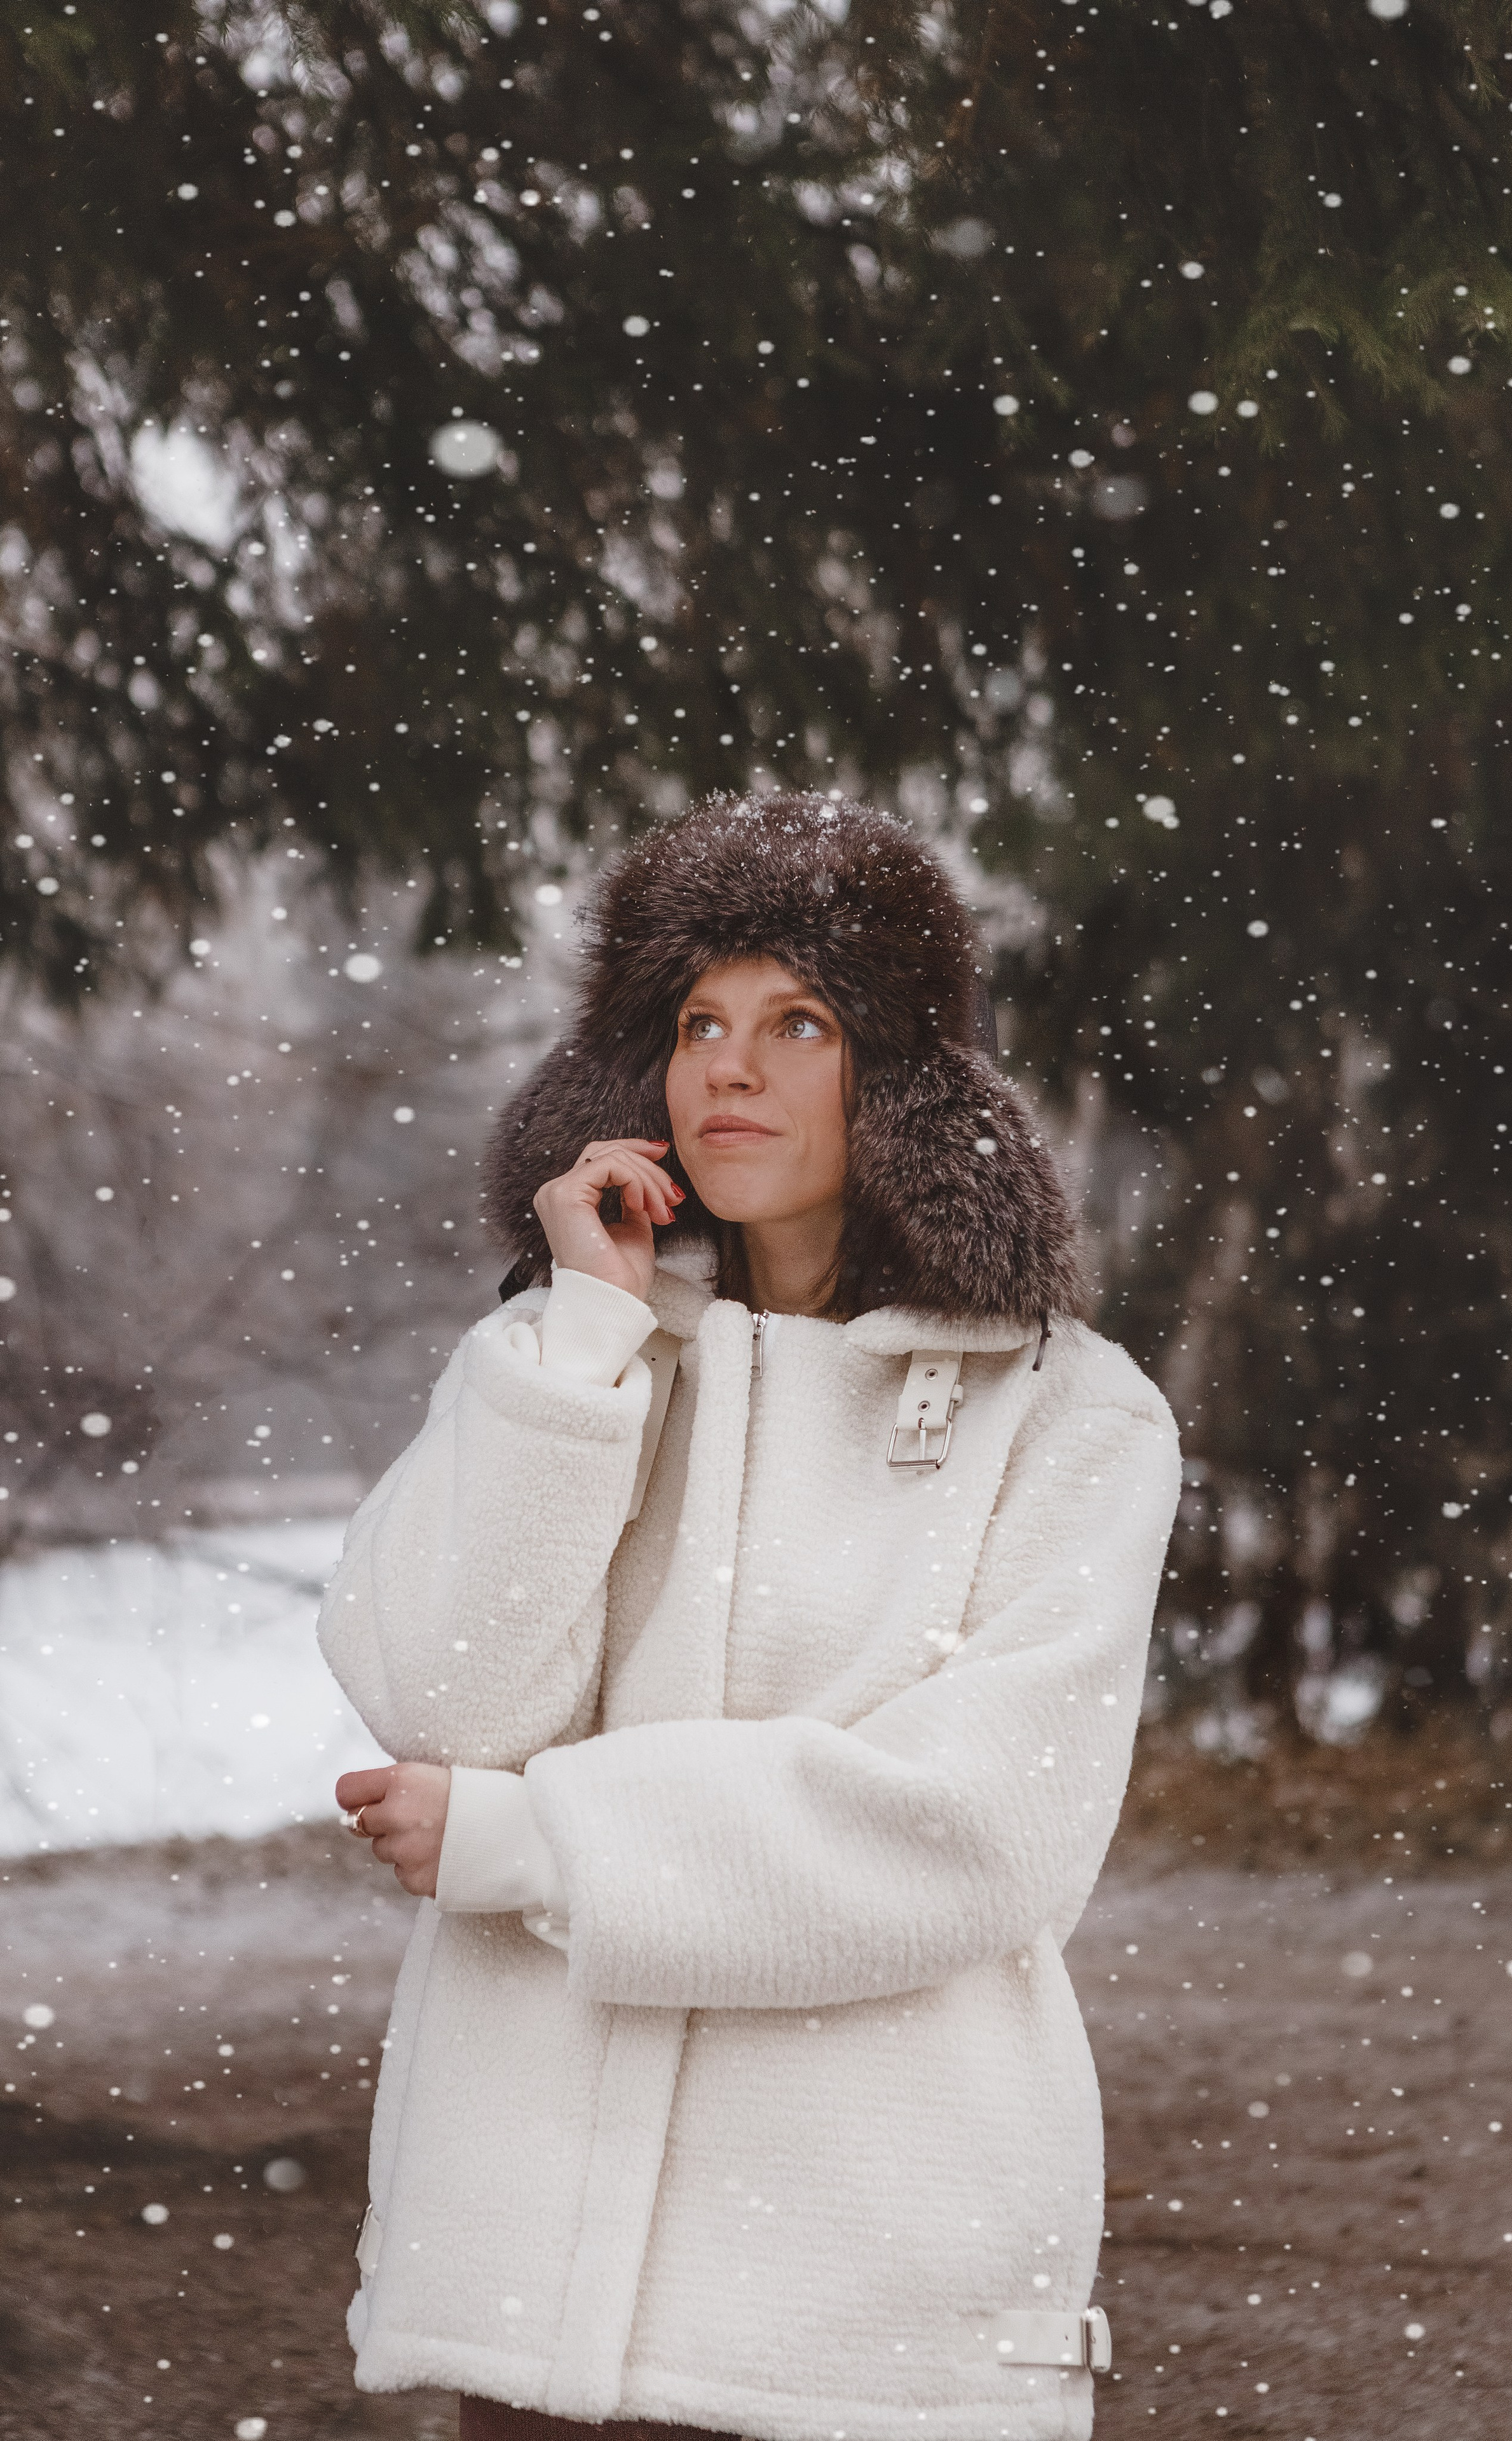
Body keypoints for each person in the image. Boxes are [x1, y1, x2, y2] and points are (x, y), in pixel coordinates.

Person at [321, 791, 1181, 2441]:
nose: (730, 1068)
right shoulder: (561, 1357)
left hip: (859, 2307)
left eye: (799, 1023)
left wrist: (541, 1843)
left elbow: (981, 1828)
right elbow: (444, 1699)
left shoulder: (1069, 1416)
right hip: (530, 2298)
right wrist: (585, 1340)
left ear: (903, 1075)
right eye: (697, 1023)